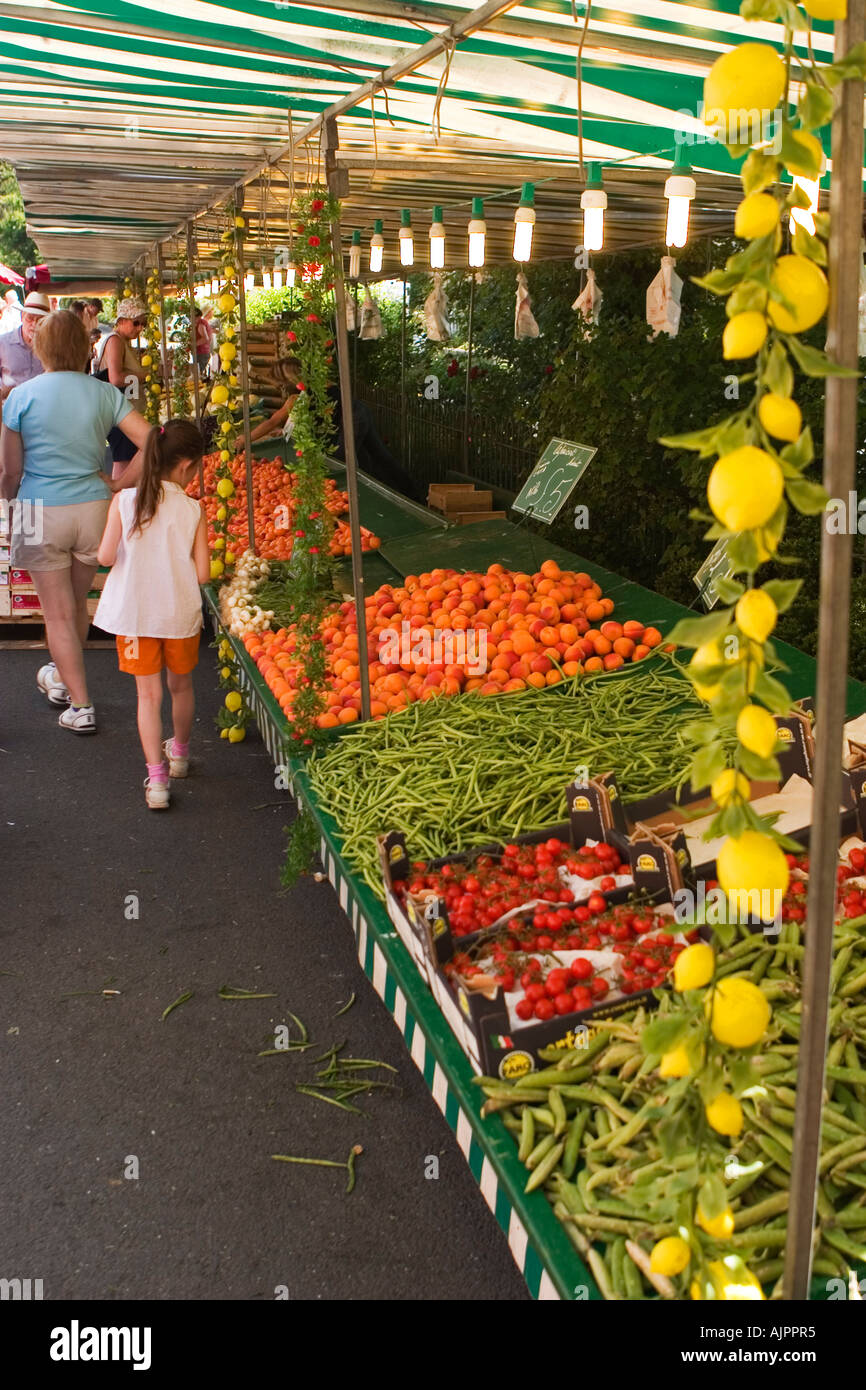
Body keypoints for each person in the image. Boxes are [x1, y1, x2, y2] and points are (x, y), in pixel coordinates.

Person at [0, 310, 152, 730]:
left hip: (38, 508)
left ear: (39, 346)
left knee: (57, 613)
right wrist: (120, 483)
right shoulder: (103, 393)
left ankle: (81, 705)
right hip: (93, 508)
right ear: (86, 348)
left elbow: (10, 472)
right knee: (75, 603)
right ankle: (64, 680)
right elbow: (153, 441)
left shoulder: (20, 397)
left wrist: (11, 507)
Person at [94, 420, 209, 811]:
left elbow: (105, 558)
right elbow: (204, 574)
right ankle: (179, 755)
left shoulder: (124, 502)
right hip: (179, 614)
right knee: (181, 687)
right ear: (185, 466)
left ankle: (157, 782)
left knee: (148, 696)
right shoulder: (193, 509)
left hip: (137, 615)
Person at [92, 296, 150, 477]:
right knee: (123, 463)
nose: (140, 328)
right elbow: (116, 378)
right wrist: (145, 376)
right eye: (136, 323)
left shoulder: (124, 342)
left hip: (124, 412)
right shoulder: (115, 341)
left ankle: (123, 499)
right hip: (120, 414)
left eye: (143, 324)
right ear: (122, 321)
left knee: (128, 460)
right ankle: (118, 500)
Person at [0, 291, 50, 401]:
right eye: (30, 318)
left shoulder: (51, 347)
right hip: (9, 409)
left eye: (40, 320)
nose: (34, 324)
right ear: (22, 317)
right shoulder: (3, 343)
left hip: (39, 410)